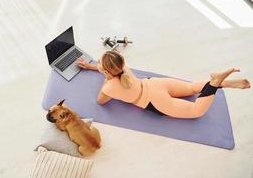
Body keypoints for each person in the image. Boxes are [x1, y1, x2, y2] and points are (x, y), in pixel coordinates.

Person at [76, 51, 250, 118]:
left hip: (154, 102)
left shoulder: (109, 87)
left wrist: (105, 79)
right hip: (155, 84)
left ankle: (214, 83)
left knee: (196, 110)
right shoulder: (122, 65)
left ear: (106, 72)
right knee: (190, 88)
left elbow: (100, 101)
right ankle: (221, 81)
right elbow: (107, 65)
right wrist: (92, 66)